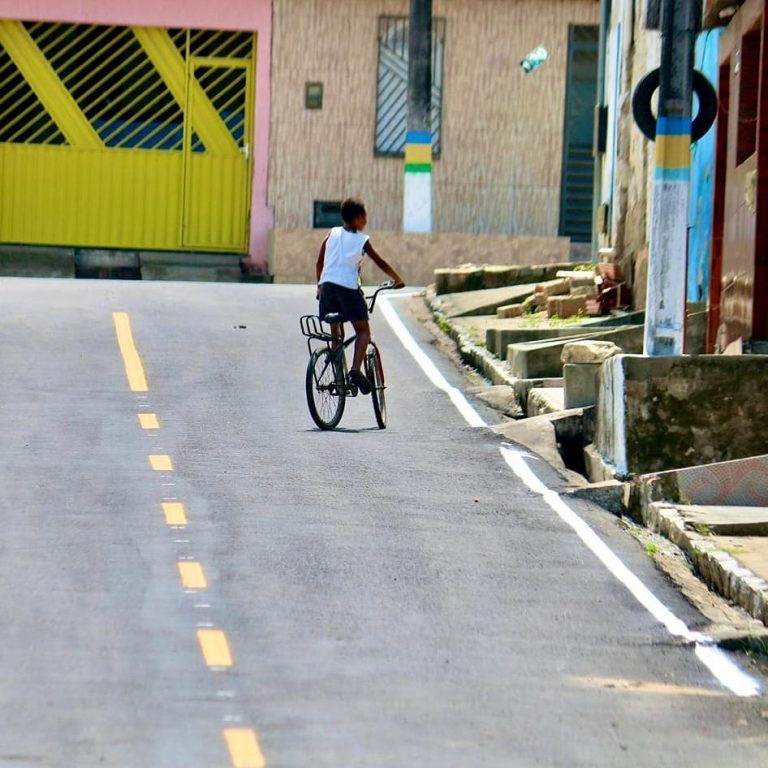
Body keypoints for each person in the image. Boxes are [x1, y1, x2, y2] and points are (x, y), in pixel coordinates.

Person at [316, 198, 405, 395]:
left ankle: (337, 372)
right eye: (364, 216)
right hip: (348, 289)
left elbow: (319, 262)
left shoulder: (331, 233)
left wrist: (319, 286)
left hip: (327, 288)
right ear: (357, 218)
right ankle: (355, 370)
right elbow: (380, 262)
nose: (365, 220)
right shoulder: (361, 240)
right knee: (363, 331)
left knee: (336, 334)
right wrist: (397, 278)